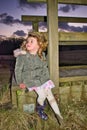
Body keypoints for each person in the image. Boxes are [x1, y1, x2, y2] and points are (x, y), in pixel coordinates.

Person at [14, 31, 63, 125]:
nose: (28, 43)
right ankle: (39, 109)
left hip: (42, 78)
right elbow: (18, 69)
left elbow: (44, 68)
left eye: (31, 41)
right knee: (42, 95)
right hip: (30, 80)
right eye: (27, 41)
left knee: (50, 95)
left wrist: (46, 80)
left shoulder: (42, 55)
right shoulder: (22, 56)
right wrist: (20, 81)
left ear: (39, 45)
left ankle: (59, 116)